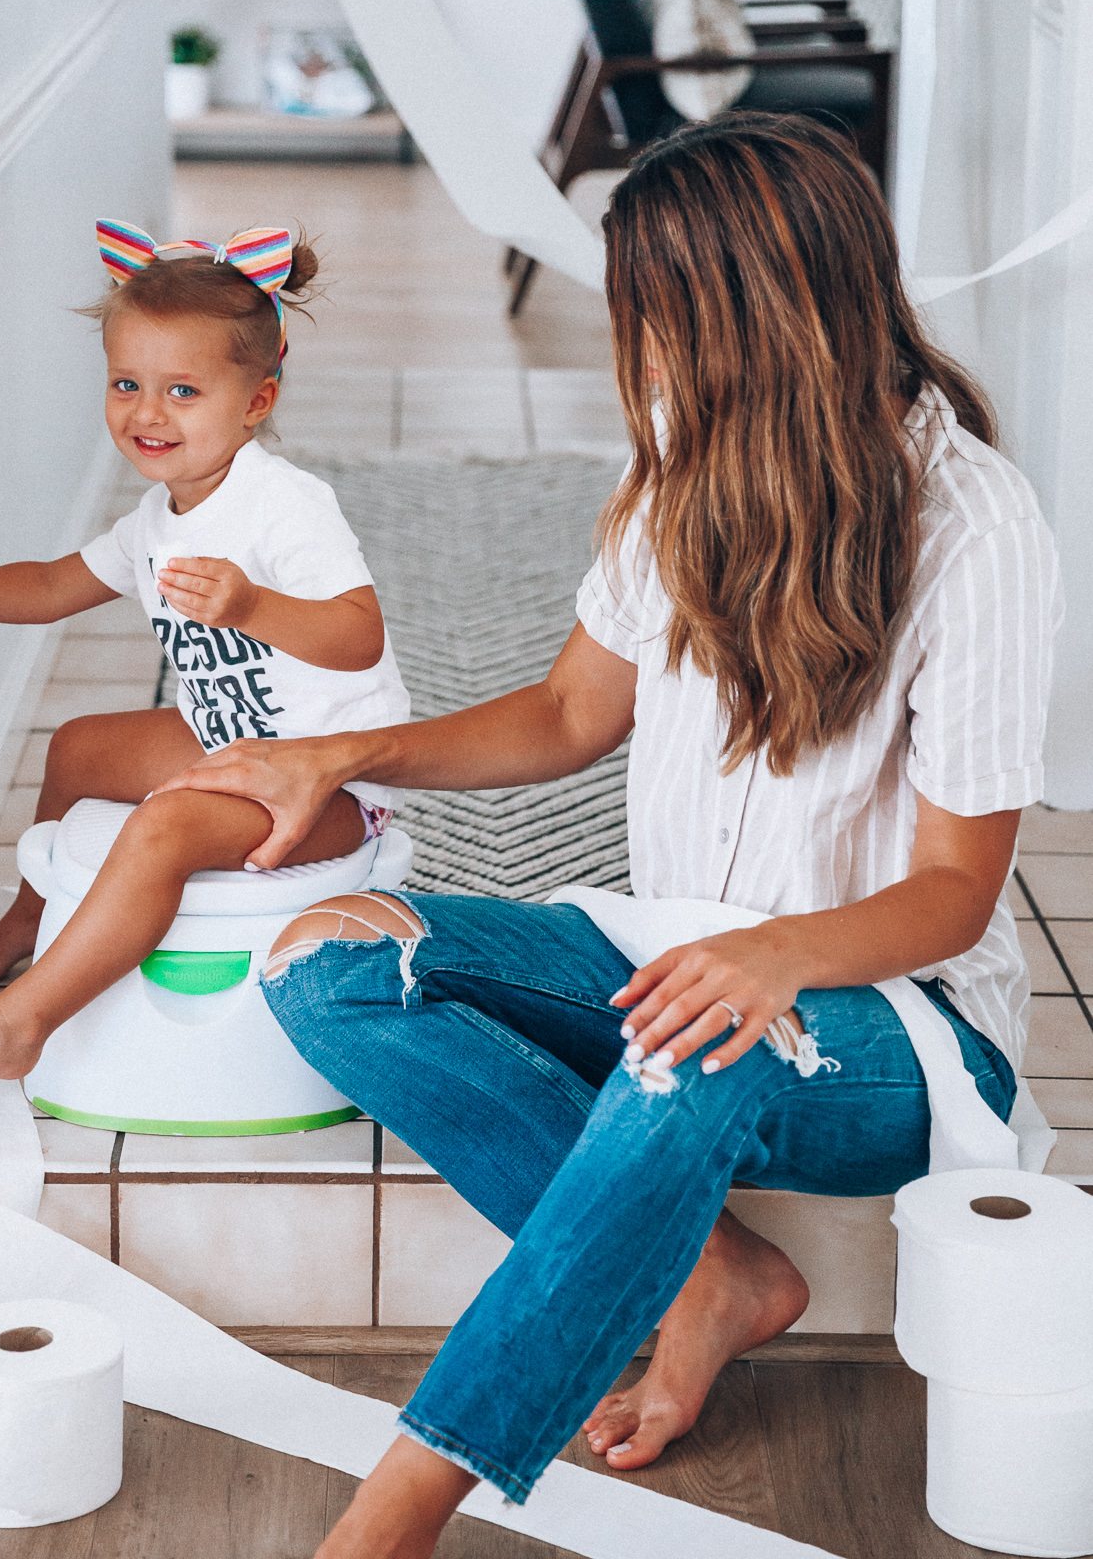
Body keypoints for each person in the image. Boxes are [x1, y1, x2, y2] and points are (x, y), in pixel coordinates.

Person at [167, 115, 1061, 1559]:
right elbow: (570, 716)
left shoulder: (973, 523)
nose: (627, 347)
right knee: (321, 966)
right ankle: (708, 1278)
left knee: (683, 1055)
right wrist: (341, 750)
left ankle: (395, 1515)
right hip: (682, 962)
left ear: (747, 317)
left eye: (649, 314)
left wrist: (769, 957)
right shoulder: (678, 476)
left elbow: (956, 893)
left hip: (903, 1021)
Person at [0, 222, 409, 1079]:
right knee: (79, 747)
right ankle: (27, 917)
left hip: (328, 780)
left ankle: (20, 1024)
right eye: (127, 383)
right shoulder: (161, 513)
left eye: (182, 392)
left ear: (257, 402)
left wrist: (253, 605)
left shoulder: (285, 506)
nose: (147, 413)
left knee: (163, 829)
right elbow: (54, 585)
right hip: (229, 743)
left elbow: (358, 636)